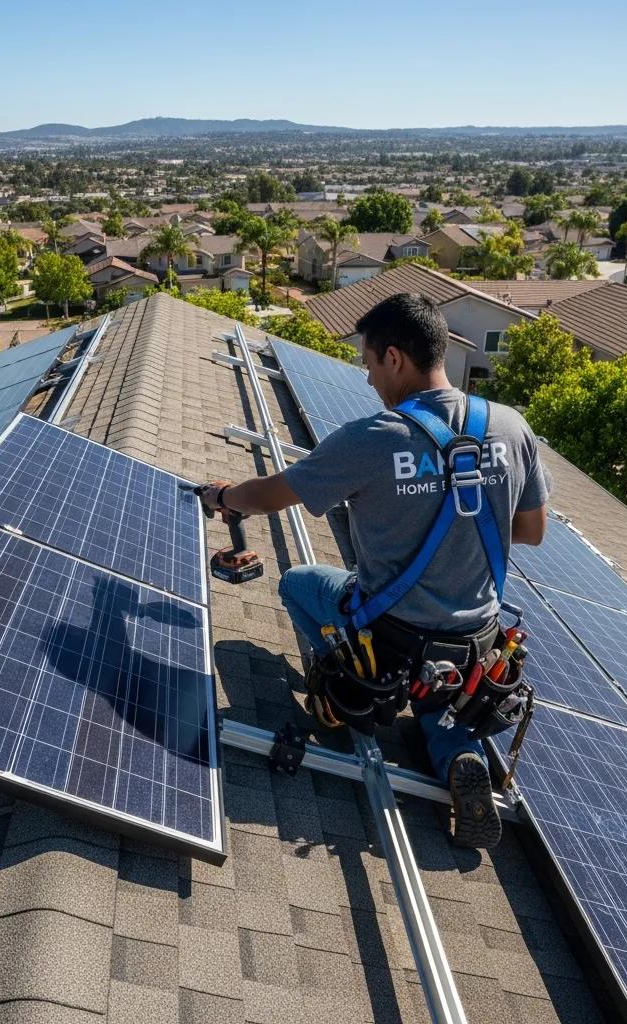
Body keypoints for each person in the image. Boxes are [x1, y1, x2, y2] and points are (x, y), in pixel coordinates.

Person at [200, 293, 549, 849]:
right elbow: (531, 531)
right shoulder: (511, 427)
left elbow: (272, 494)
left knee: (298, 583)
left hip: (388, 639)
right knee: (444, 707)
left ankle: (340, 701)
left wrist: (224, 496)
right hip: (475, 645)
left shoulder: (376, 438)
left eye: (367, 363)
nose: (367, 379)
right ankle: (457, 754)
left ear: (393, 357)